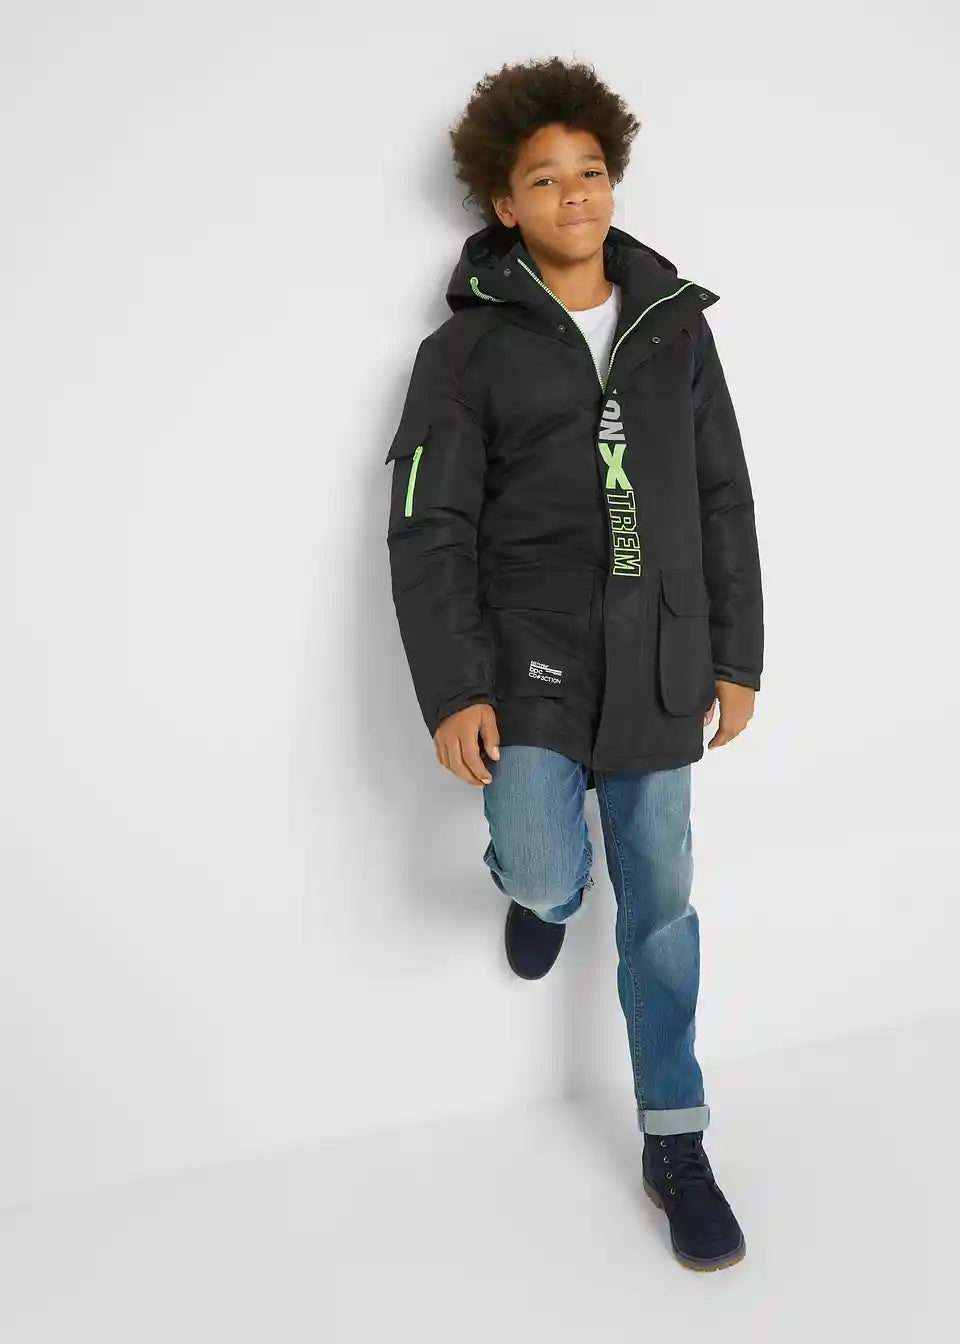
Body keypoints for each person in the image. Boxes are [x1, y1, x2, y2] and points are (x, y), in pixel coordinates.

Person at [383, 56, 762, 1272]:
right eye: (544, 180)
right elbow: (429, 528)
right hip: (530, 661)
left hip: (661, 660)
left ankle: (676, 1142)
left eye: (590, 171)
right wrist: (456, 689)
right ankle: (538, 896)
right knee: (552, 866)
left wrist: (738, 654)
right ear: (505, 205)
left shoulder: (675, 330)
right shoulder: (465, 355)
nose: (575, 195)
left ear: (615, 178)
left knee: (661, 905)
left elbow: (723, 495)